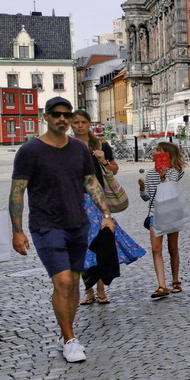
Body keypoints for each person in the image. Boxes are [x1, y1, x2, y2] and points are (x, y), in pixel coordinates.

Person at [7, 96, 115, 363]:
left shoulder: (78, 150)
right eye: (57, 114)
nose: (63, 119)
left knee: (75, 281)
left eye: (67, 115)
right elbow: (18, 192)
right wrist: (17, 230)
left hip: (78, 224)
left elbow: (91, 182)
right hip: (46, 225)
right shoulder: (30, 151)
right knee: (63, 281)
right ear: (46, 117)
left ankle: (66, 330)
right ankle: (69, 338)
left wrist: (106, 214)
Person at [70, 109, 145, 304]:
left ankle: (101, 289)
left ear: (89, 124)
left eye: (83, 122)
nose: (79, 126)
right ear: (71, 124)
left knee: (101, 242)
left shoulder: (100, 144)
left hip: (97, 199)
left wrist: (102, 159)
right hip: (75, 199)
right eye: (76, 122)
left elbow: (114, 169)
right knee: (81, 245)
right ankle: (88, 291)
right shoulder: (66, 146)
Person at [138, 141, 186, 299]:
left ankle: (175, 280)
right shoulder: (150, 173)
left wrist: (164, 176)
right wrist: (142, 188)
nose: (154, 152)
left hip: (171, 213)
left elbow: (170, 190)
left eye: (158, 150)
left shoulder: (174, 172)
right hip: (155, 214)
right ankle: (161, 285)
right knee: (156, 248)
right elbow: (147, 198)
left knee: (173, 248)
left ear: (167, 155)